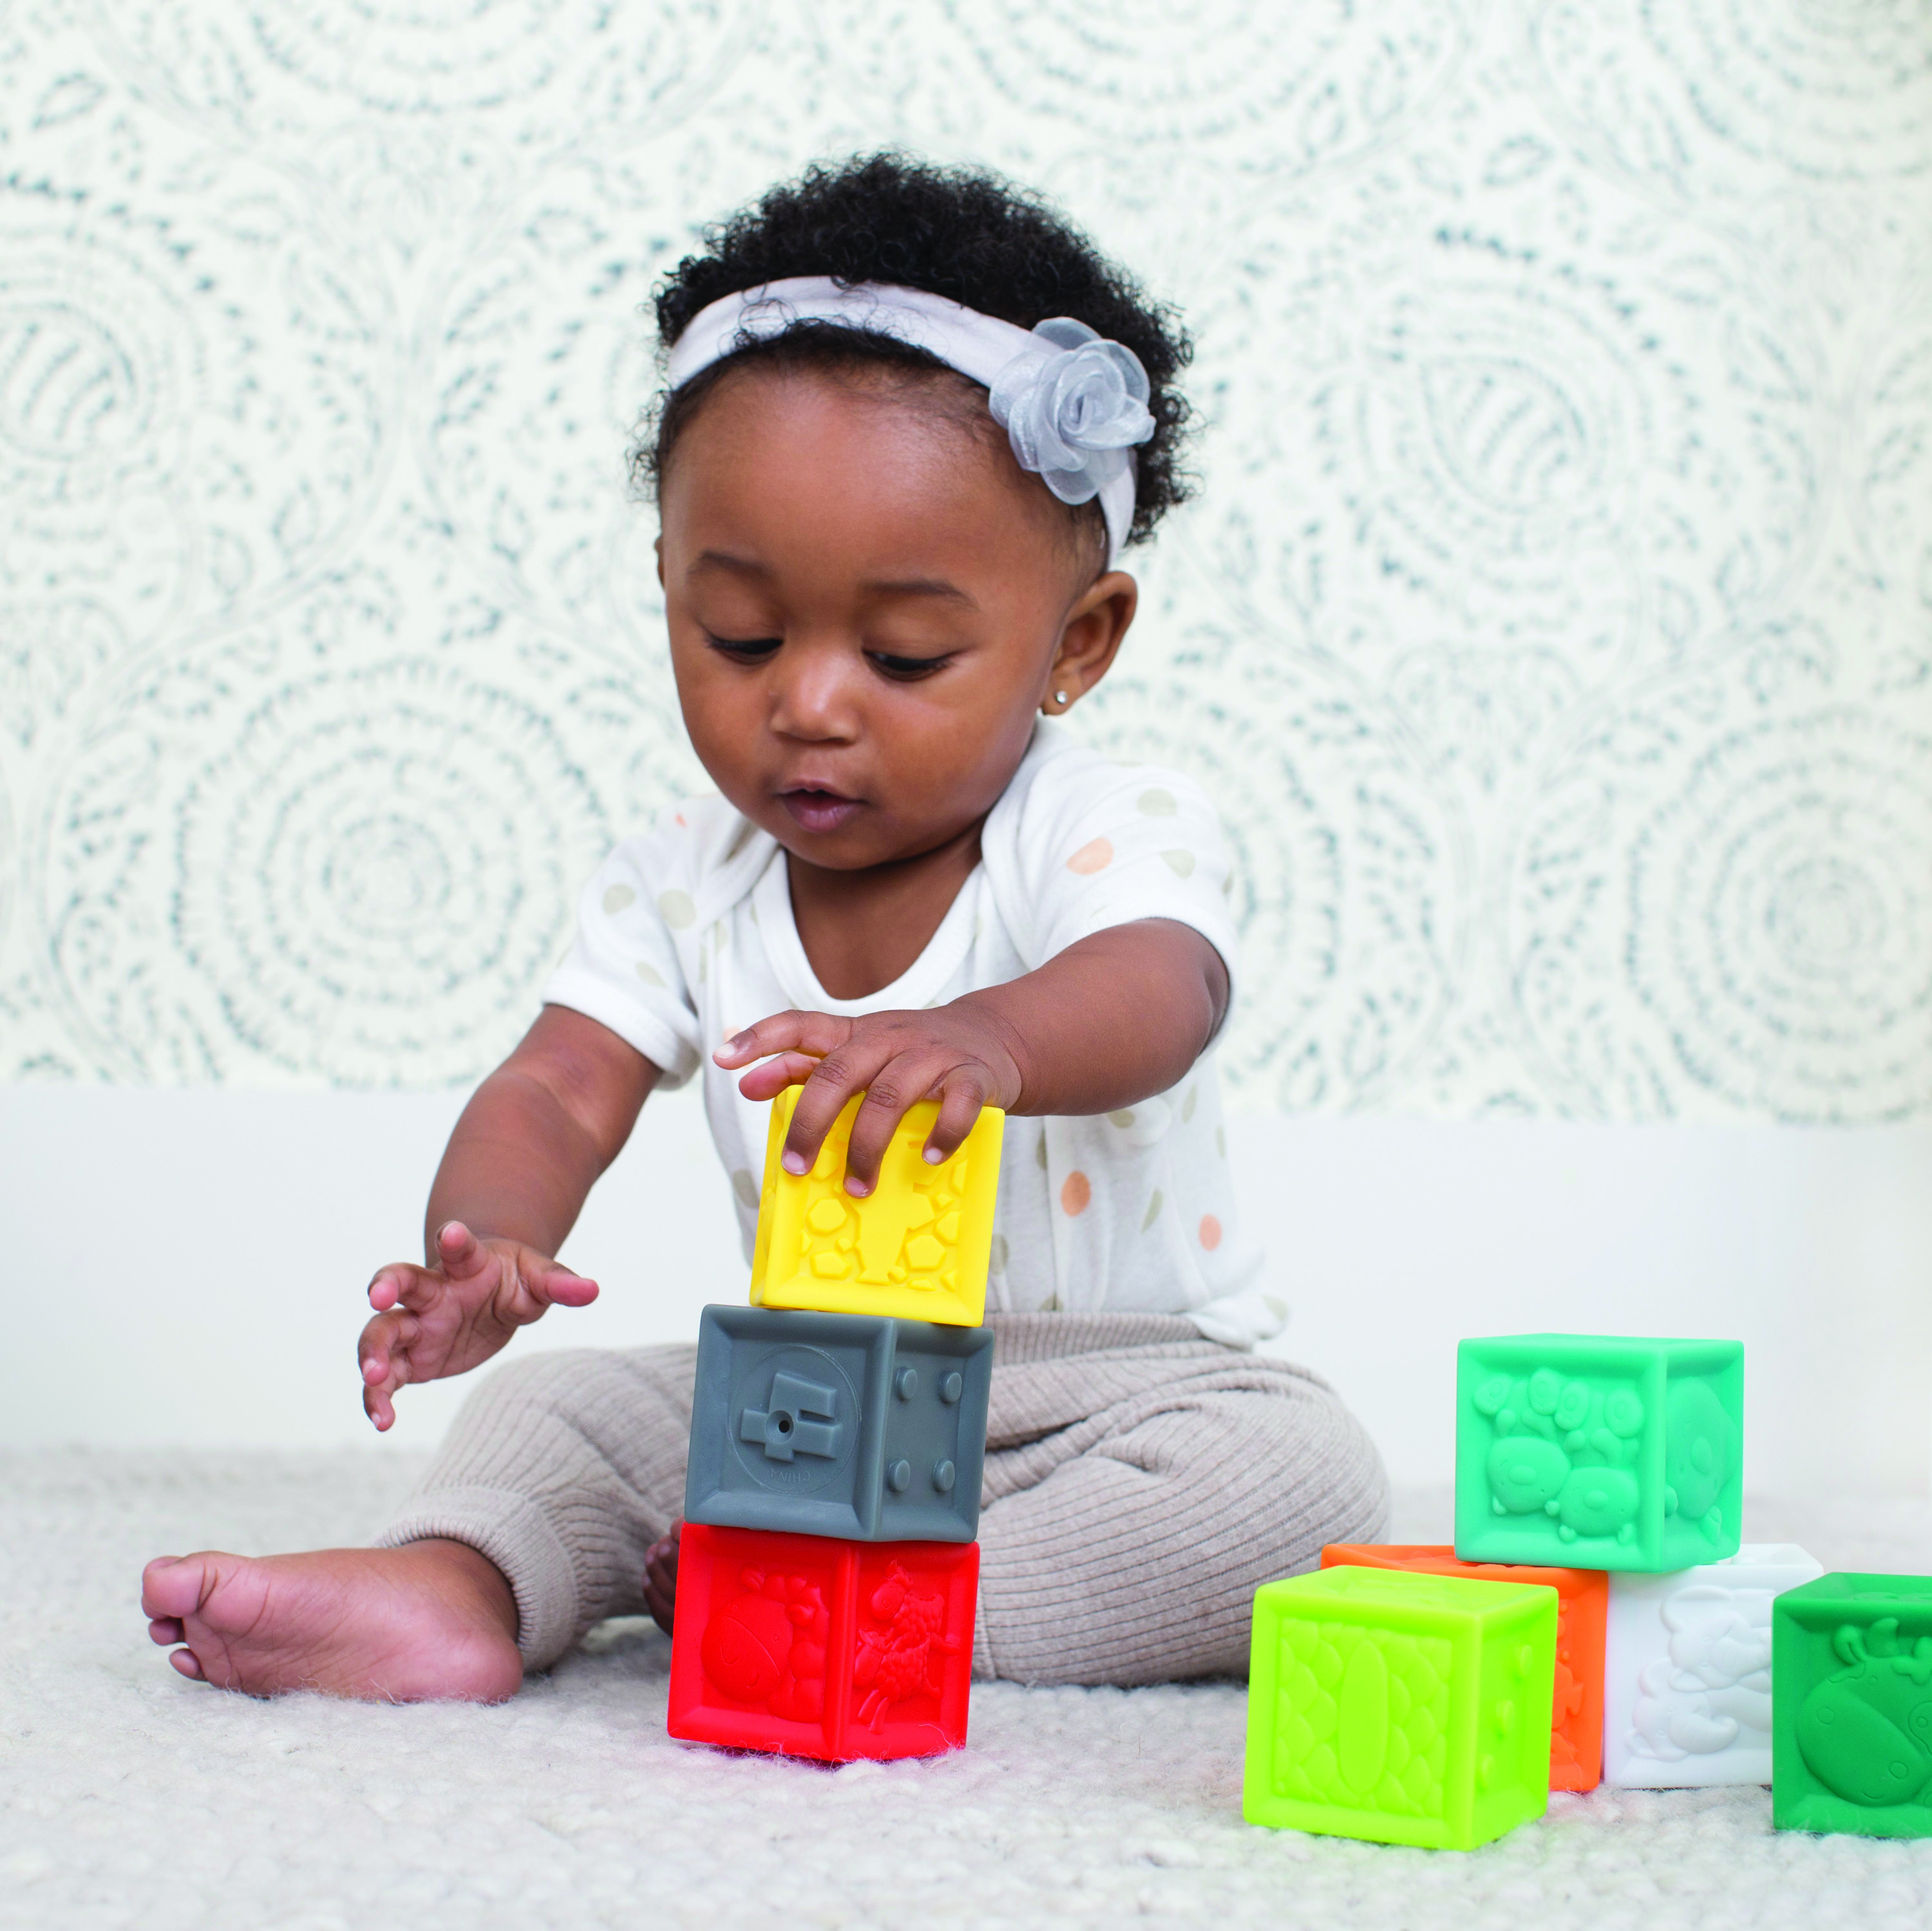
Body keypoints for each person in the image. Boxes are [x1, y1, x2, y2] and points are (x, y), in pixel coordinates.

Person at [140, 153, 1388, 1702]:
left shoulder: (1092, 824)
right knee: (567, 1415)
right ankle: (453, 1587)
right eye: (738, 633)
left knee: (1304, 1477)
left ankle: (900, 1612)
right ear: (669, 581)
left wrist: (988, 1036)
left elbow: (1165, 985)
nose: (807, 698)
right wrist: (484, 1240)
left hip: (1113, 1395)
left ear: (1078, 642)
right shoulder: (689, 872)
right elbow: (555, 1085)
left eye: (907, 651)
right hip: (814, 1403)